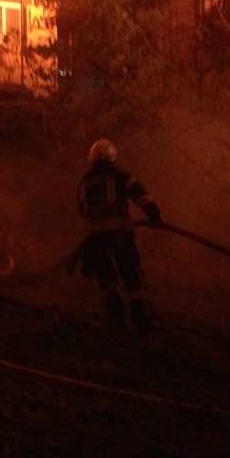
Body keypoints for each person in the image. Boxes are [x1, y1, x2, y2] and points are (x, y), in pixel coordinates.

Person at [74, 138, 162, 333]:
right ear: (112, 157)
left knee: (107, 279)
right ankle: (142, 320)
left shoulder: (83, 182)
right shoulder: (120, 175)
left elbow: (83, 213)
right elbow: (140, 194)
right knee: (131, 274)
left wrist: (88, 245)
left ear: (92, 158)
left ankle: (117, 320)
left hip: (95, 238)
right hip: (119, 233)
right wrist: (154, 215)